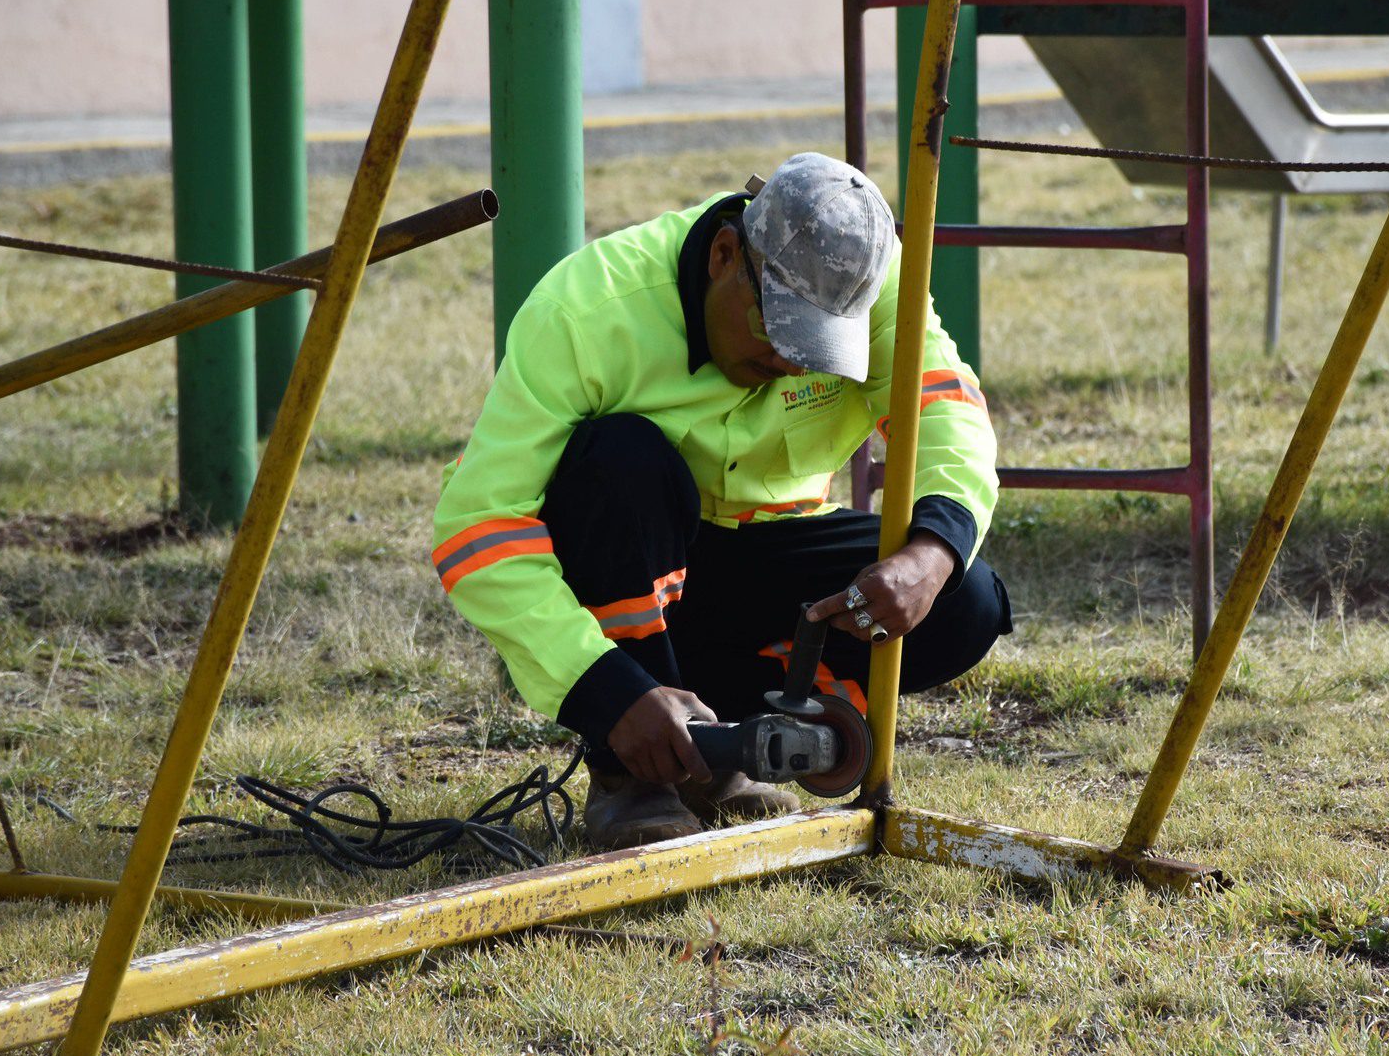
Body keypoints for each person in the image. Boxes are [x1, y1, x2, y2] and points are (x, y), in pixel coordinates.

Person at [432, 153, 1011, 849]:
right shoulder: (586, 310)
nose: (795, 363)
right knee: (621, 462)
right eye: (780, 331)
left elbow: (948, 412)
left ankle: (730, 744)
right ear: (725, 254)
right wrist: (610, 690)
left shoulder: (870, 282)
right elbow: (478, 528)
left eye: (819, 348)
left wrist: (930, 554)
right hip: (635, 584)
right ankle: (633, 770)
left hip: (763, 567)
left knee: (967, 596)